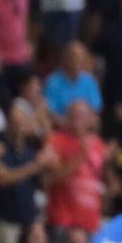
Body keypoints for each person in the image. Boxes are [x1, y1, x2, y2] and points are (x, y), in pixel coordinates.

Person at [0, 100, 53, 243]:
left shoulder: (32, 151)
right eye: (14, 123)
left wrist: (48, 165)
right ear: (7, 124)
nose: (18, 128)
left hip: (29, 217)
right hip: (6, 218)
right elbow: (3, 178)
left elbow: (44, 183)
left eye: (22, 123)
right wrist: (36, 166)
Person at [47, 99, 108, 234]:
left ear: (90, 119)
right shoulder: (55, 141)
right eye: (73, 116)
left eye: (81, 116)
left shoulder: (98, 144)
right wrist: (81, 155)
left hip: (90, 222)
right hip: (63, 221)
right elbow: (53, 179)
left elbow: (99, 180)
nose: (77, 121)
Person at [45, 41, 104, 119]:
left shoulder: (90, 81)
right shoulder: (53, 82)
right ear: (65, 59)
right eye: (72, 57)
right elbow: (49, 111)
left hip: (85, 124)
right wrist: (68, 123)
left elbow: (96, 109)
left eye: (79, 58)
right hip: (62, 123)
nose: (76, 61)